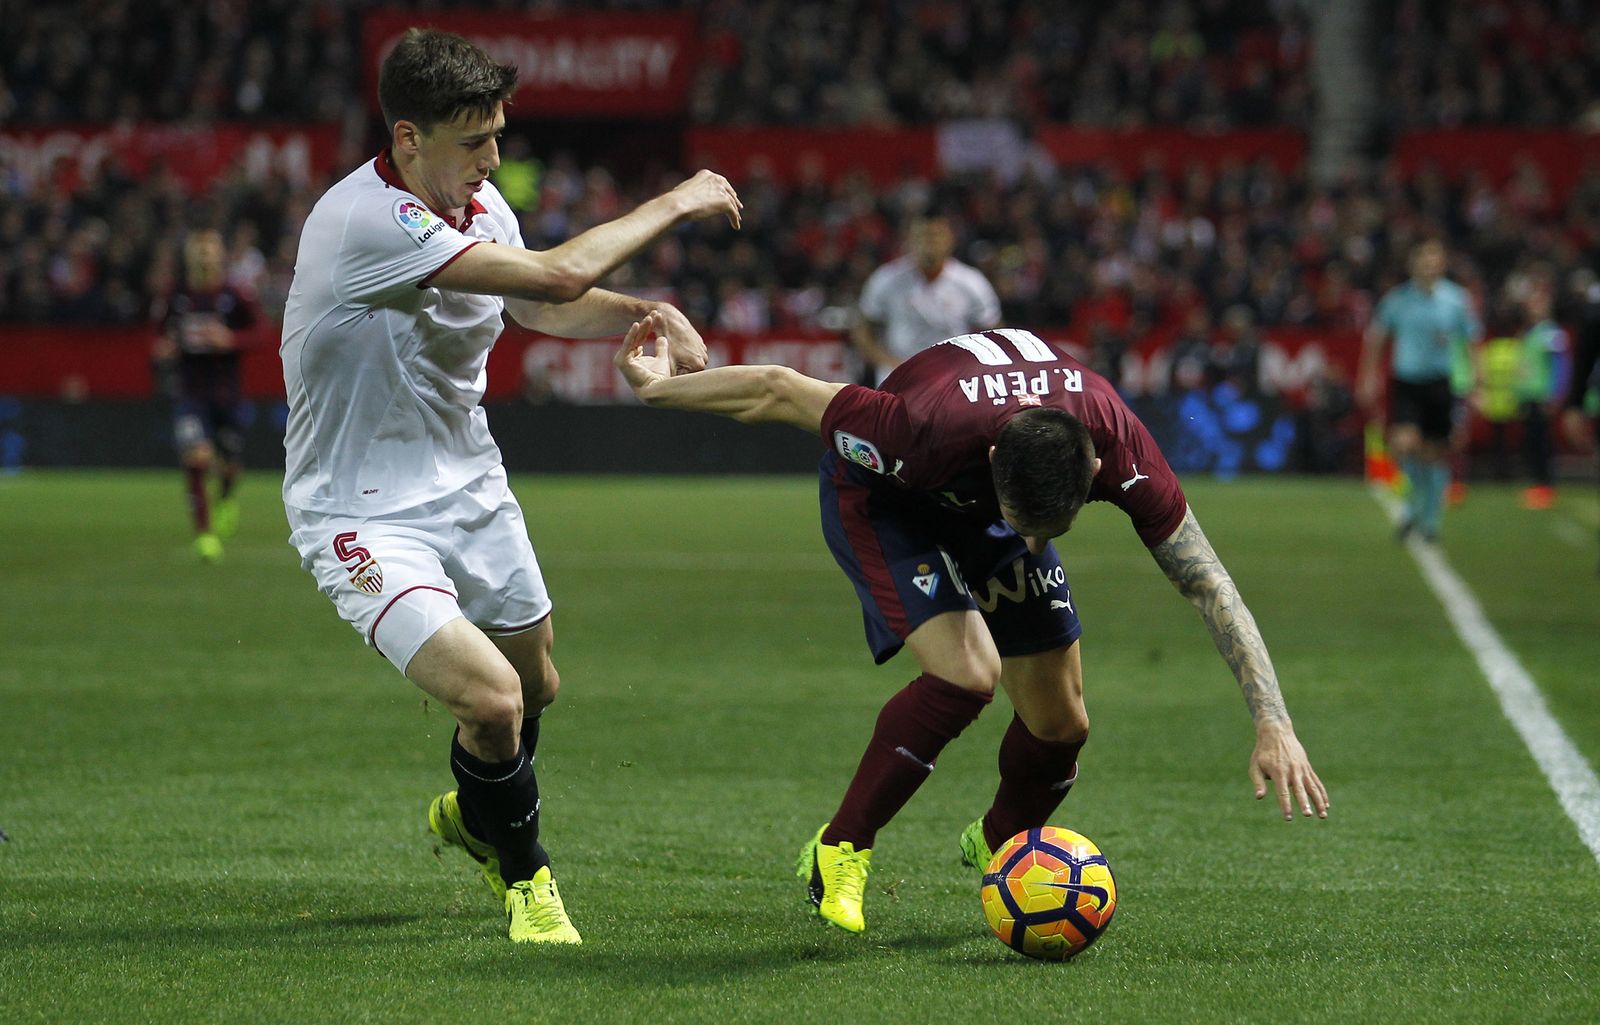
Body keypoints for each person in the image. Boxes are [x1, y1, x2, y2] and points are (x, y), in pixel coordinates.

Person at [614, 316, 1329, 934]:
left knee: (1062, 722)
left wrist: (1274, 719)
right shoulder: (915, 429)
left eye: (1058, 529)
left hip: (984, 498)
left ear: (1094, 469)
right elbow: (776, 386)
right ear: (994, 467)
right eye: (1030, 526)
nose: (1044, 547)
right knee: (966, 675)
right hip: (887, 497)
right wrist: (653, 387)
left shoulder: (1119, 440)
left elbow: (1208, 582)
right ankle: (840, 848)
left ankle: (999, 843)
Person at [279, 28, 741, 945]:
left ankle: (476, 810)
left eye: (498, 135)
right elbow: (560, 270)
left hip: (469, 483)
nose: (494, 161)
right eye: (474, 140)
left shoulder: (480, 206)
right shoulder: (364, 219)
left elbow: (535, 301)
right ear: (408, 138)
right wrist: (679, 197)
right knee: (490, 700)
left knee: (536, 687)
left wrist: (645, 311)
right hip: (359, 509)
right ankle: (528, 879)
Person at [1358, 239, 1481, 542]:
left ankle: (1429, 520)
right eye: (1422, 258)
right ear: (1412, 263)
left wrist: (1478, 381)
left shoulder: (1456, 300)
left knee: (1434, 454)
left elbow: (1471, 341)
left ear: (1441, 263)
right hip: (1408, 382)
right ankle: (1414, 507)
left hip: (1440, 382)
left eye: (1433, 258)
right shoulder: (1397, 300)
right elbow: (1376, 339)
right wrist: (1368, 377)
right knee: (1403, 443)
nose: (1428, 264)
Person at [151, 228, 256, 562]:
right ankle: (205, 535)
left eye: (210, 250)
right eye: (198, 250)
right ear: (189, 257)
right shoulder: (175, 297)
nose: (204, 256)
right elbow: (156, 336)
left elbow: (260, 333)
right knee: (197, 457)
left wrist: (231, 340)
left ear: (220, 255)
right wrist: (163, 349)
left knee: (230, 466)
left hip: (227, 394)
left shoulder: (234, 295)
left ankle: (225, 498)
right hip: (191, 393)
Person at [852, 215, 1001, 386]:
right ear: (909, 240)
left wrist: (974, 364)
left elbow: (994, 331)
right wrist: (885, 361)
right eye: (922, 236)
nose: (929, 242)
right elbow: (862, 331)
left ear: (950, 239)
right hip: (900, 371)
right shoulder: (886, 279)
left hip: (955, 374)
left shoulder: (971, 282)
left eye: (935, 235)